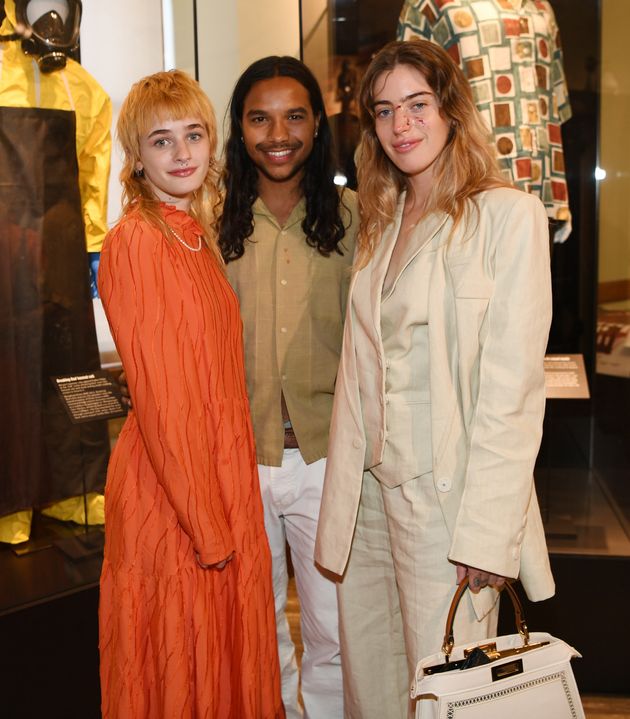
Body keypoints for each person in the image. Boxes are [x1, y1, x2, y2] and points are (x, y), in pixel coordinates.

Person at [314, 39, 555, 718]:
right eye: (385, 111)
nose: (401, 126)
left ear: (451, 110)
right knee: (374, 684)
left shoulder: (508, 217)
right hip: (367, 500)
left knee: (449, 695)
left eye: (418, 104)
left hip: (448, 509)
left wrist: (486, 535)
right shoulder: (381, 222)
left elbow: (513, 396)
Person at [98, 69, 283, 719]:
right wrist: (207, 522)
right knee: (182, 658)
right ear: (137, 157)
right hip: (171, 495)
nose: (181, 154)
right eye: (160, 141)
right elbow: (164, 400)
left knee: (223, 657)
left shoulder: (192, 236)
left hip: (218, 476)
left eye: (193, 135)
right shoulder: (137, 243)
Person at [220, 56, 358, 718]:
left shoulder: (361, 218)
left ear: (317, 124)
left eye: (294, 115)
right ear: (240, 129)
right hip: (237, 461)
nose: (278, 133)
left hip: (324, 461)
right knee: (255, 625)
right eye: (260, 117)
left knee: (332, 629)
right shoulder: (210, 223)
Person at [0, 0, 111, 545]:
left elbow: (94, 173)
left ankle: (79, 491)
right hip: (4, 253)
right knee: (9, 373)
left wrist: (93, 248)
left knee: (76, 370)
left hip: (64, 252)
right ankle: (9, 503)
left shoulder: (87, 90)